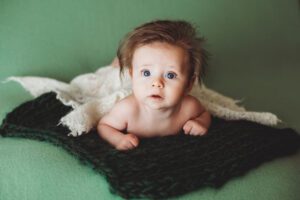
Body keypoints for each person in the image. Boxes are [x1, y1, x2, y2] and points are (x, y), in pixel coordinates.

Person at [97, 20, 211, 151]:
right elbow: (104, 126)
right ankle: (117, 64)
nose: (156, 83)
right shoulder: (127, 109)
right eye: (146, 73)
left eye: (170, 75)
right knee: (109, 77)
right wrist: (117, 139)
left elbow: (204, 113)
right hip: (121, 80)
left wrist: (201, 123)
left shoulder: (189, 107)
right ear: (132, 76)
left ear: (189, 84)